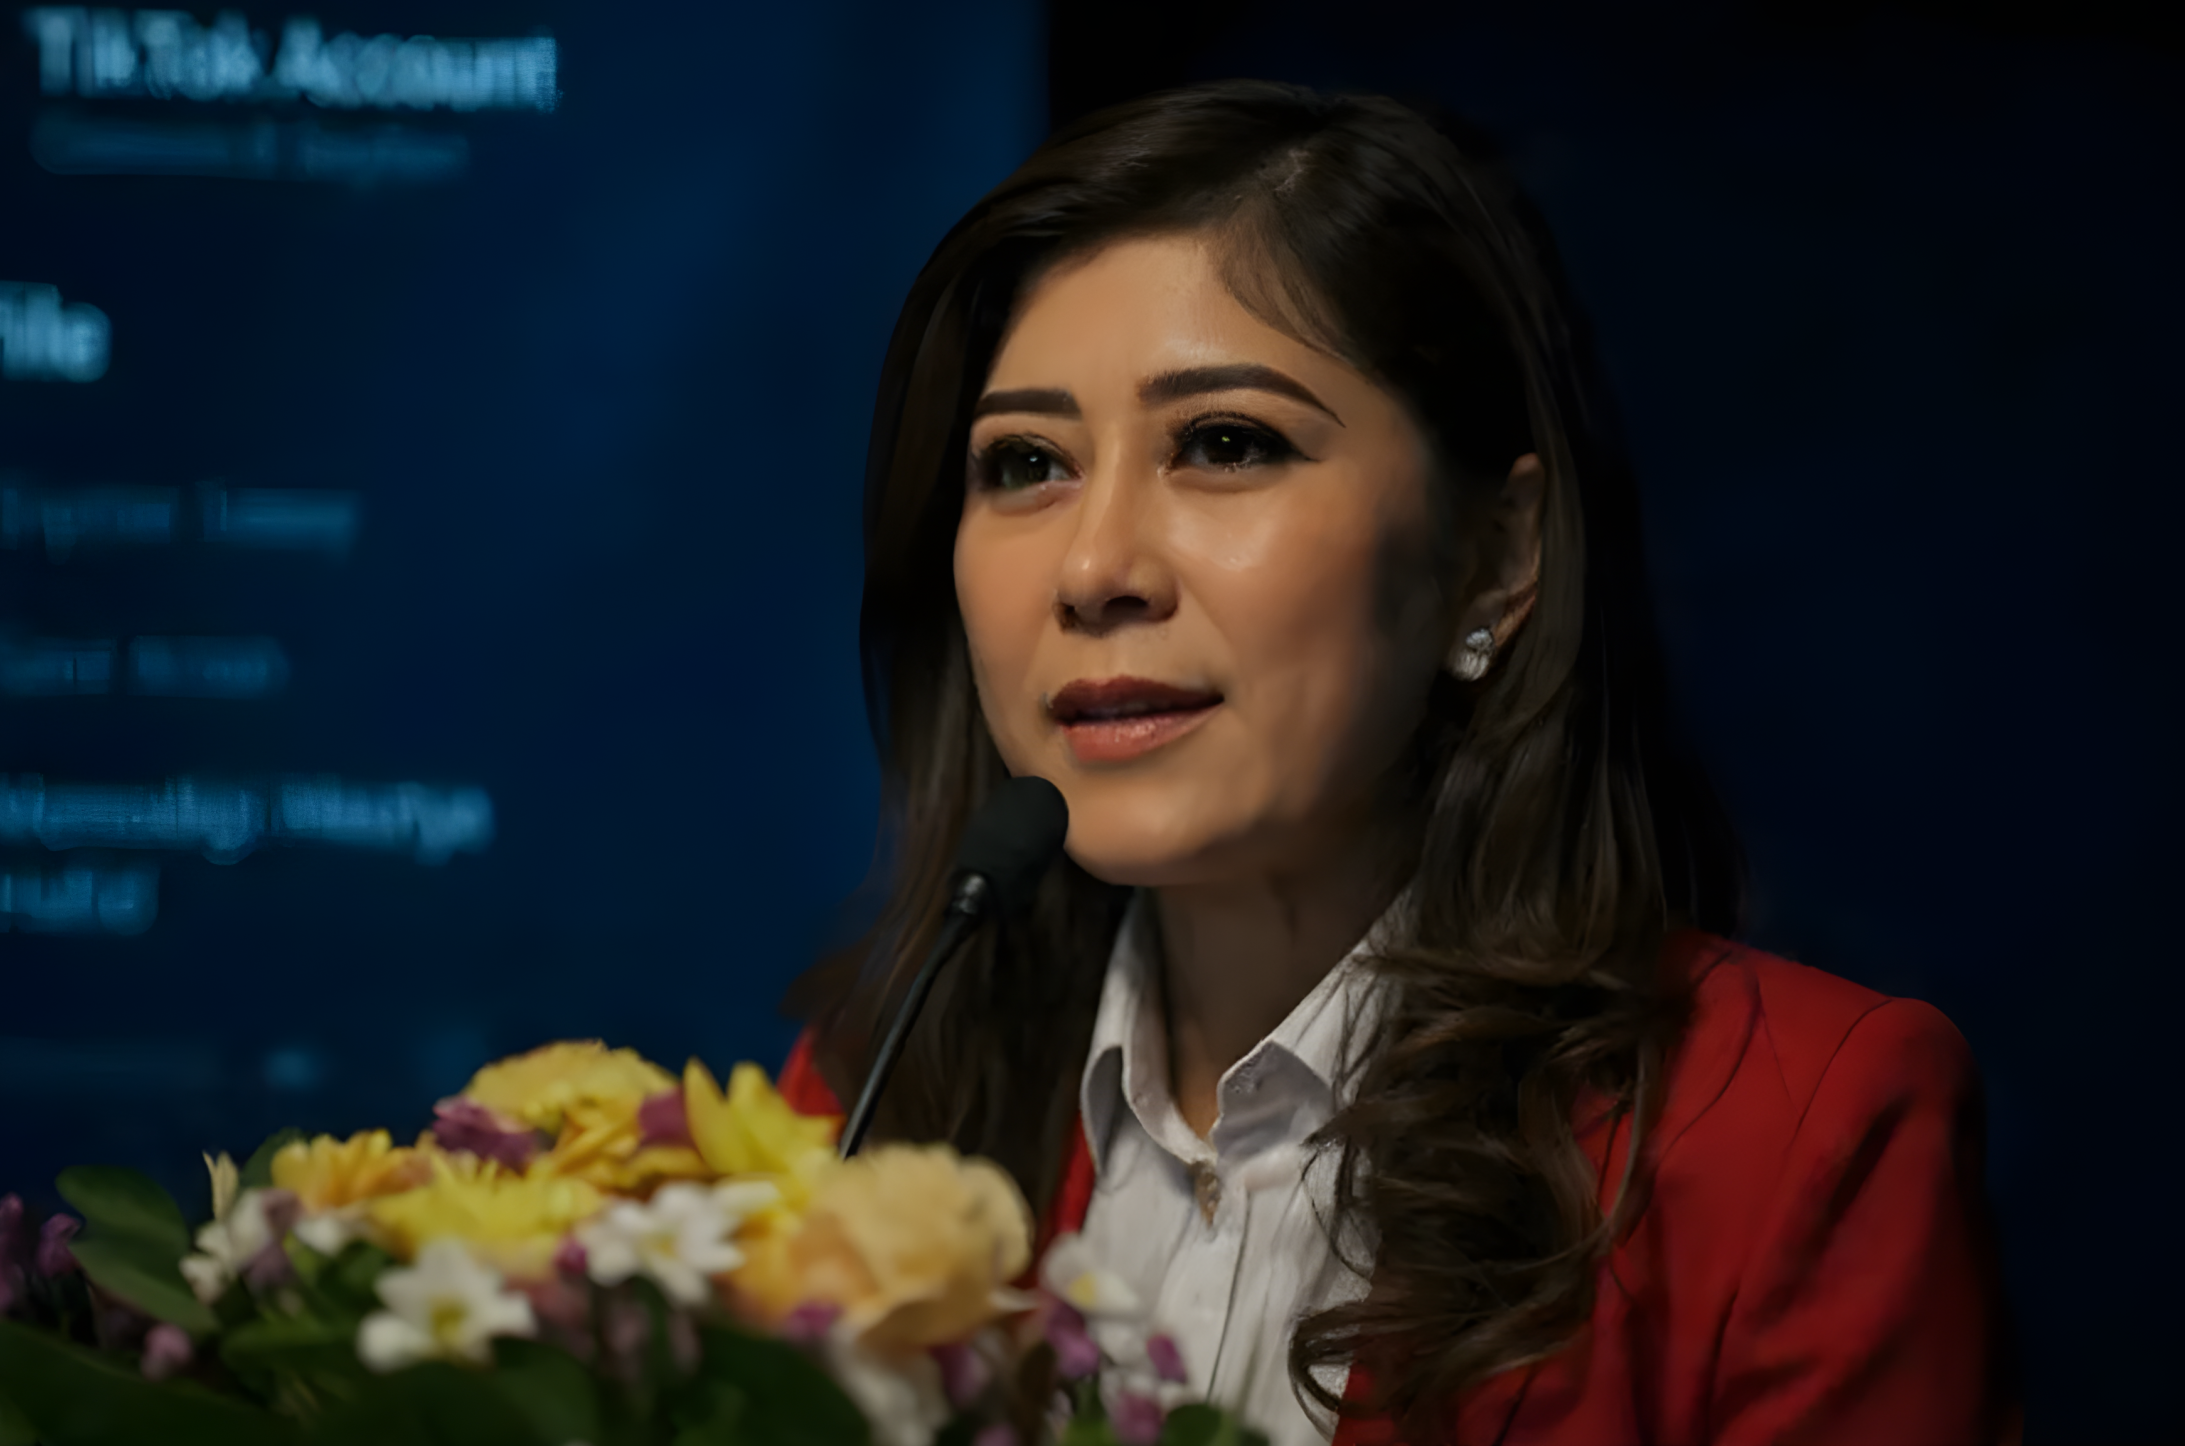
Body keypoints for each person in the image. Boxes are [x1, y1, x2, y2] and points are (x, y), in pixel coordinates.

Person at [779, 81, 2018, 1445]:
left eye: (1225, 444)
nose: (1094, 568)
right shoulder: (862, 1112)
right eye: (1025, 464)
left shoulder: (1799, 1139)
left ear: (1494, 557)